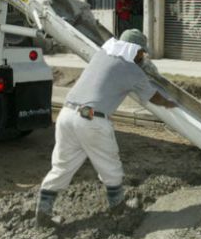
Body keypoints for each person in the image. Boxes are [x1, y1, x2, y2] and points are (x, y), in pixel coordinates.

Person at [35, 29, 177, 228]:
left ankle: (43, 212)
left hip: (66, 116)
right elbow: (154, 96)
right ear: (134, 50)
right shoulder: (132, 70)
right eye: (141, 52)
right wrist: (171, 104)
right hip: (91, 120)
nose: (142, 56)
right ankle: (118, 208)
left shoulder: (102, 55)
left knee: (62, 166)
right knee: (110, 166)